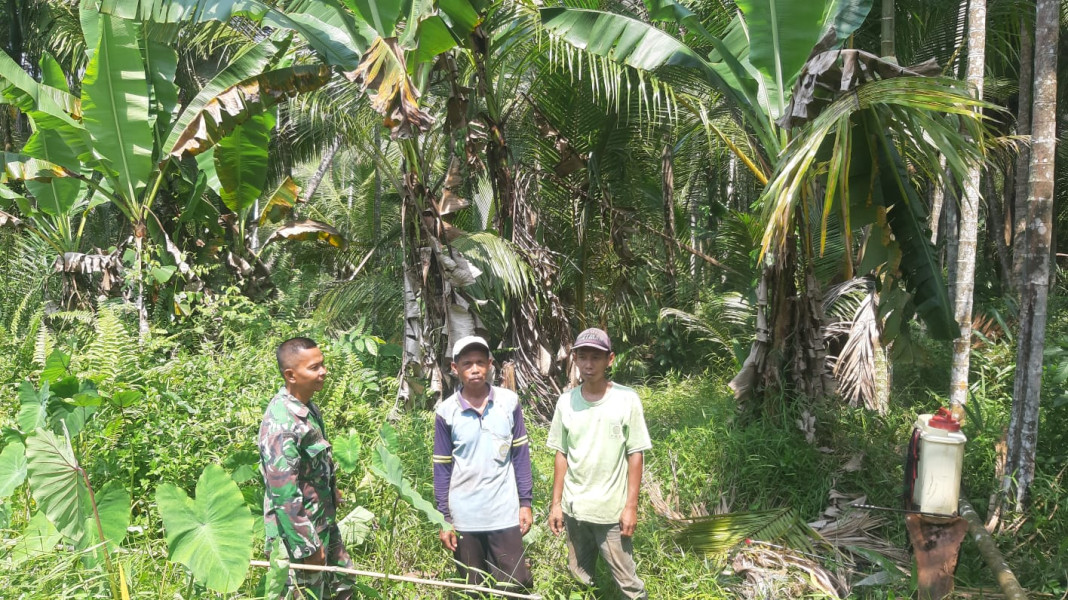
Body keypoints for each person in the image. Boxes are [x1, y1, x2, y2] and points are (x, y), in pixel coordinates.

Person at [548, 328, 651, 599]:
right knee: (580, 577)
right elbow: (561, 454)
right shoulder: (565, 402)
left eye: (596, 357)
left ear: (610, 359)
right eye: (582, 357)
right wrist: (556, 505)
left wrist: (631, 507)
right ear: (575, 360)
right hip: (575, 509)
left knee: (628, 584)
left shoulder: (626, 399)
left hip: (611, 513)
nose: (588, 364)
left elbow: (636, 454)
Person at [433, 335, 534, 593]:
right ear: (455, 369)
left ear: (490, 364)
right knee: (472, 588)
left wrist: (525, 503)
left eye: (480, 362)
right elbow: (442, 468)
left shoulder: (508, 402)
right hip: (465, 516)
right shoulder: (446, 412)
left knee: (516, 583)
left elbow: (520, 456)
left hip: (504, 512)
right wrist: (445, 517)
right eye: (467, 363)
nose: (475, 369)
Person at [259, 337, 353, 600]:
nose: (323, 372)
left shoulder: (307, 407)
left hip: (323, 521)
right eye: (314, 368)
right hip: (299, 537)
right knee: (306, 594)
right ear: (291, 375)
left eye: (322, 364)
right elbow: (284, 494)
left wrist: (331, 491)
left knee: (344, 586)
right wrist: (306, 547)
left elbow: (312, 464)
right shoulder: (281, 423)